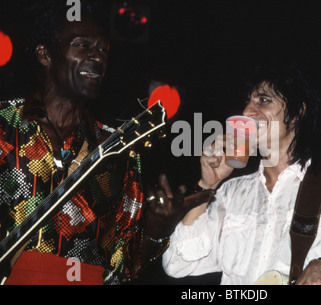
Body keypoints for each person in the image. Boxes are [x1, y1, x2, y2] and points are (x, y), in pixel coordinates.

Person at [0, 2, 213, 285]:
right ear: (45, 54)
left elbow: (122, 267)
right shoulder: (5, 126)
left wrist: (157, 228)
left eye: (103, 49)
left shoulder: (118, 147)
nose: (97, 57)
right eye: (82, 45)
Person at [162, 63, 321, 285]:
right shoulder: (231, 192)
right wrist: (207, 186)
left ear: (299, 111)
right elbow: (176, 264)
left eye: (263, 100)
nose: (247, 112)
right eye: (248, 101)